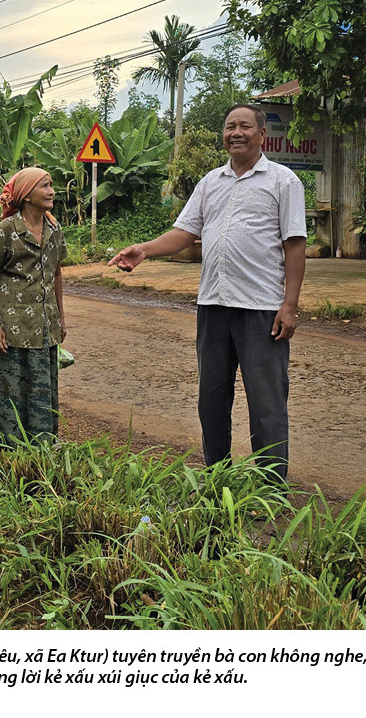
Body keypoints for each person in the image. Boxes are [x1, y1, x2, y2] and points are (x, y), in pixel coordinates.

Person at [110, 104, 306, 483]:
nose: (236, 132)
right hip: (213, 305)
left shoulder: (283, 182)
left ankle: (270, 489)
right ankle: (217, 479)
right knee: (211, 400)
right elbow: (185, 233)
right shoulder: (210, 182)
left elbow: (294, 246)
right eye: (229, 125)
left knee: (267, 403)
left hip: (261, 308)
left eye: (245, 126)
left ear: (261, 135)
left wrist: (290, 305)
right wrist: (145, 250)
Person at [0, 166, 67, 444]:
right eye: (45, 186)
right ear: (27, 195)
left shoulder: (54, 229)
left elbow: (56, 272)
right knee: (8, 386)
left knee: (40, 387)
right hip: (10, 329)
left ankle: (40, 442)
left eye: (51, 185)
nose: (51, 191)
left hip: (43, 327)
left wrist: (61, 319)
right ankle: (2, 444)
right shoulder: (6, 231)